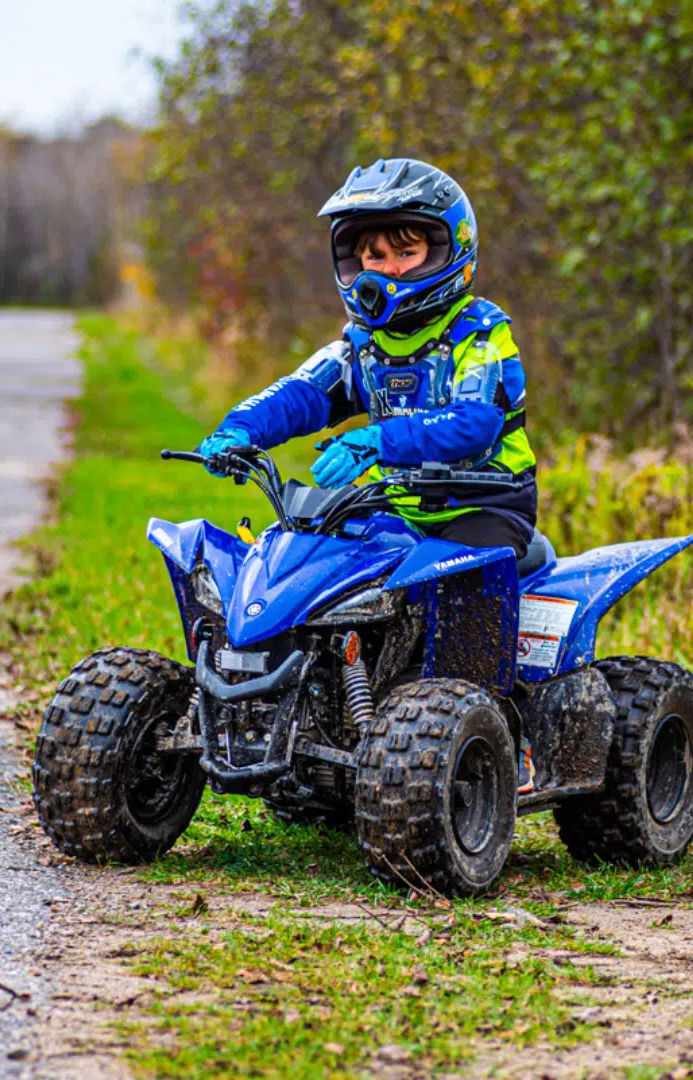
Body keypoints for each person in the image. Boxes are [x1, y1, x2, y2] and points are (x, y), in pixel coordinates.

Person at [198, 158, 537, 791]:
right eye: (372, 254)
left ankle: (505, 733)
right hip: (396, 502)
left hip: (483, 504)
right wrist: (240, 428)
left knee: (467, 585)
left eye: (405, 252)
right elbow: (301, 394)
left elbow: (474, 423)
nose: (386, 269)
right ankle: (322, 709)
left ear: (450, 251)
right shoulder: (362, 343)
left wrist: (378, 440)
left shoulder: (482, 334)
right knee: (324, 562)